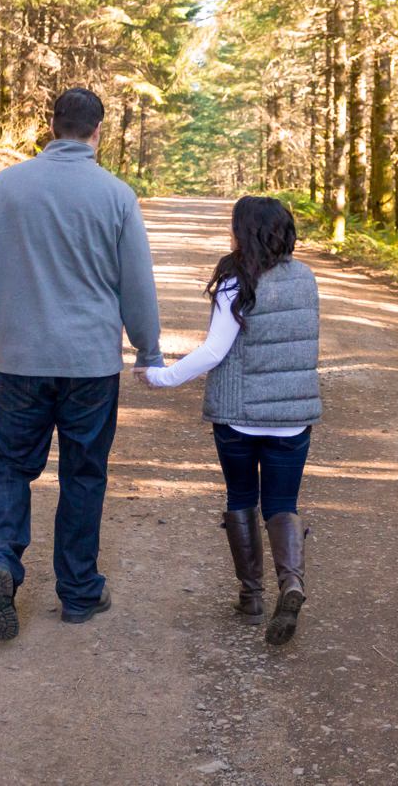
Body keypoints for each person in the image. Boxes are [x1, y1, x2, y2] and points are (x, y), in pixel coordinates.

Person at [0, 87, 163, 640]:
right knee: (84, 473)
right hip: (90, 364)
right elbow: (136, 286)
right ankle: (77, 594)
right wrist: (147, 349)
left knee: (8, 466)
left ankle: (1, 559)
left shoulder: (7, 186)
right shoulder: (117, 195)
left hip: (20, 358)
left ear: (50, 126)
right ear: (99, 130)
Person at [141, 196, 321, 645]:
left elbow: (213, 351)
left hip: (239, 417)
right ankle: (292, 584)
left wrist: (162, 377)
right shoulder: (306, 278)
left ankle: (252, 595)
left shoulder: (236, 281)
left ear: (246, 232)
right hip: (292, 420)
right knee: (282, 504)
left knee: (242, 496)